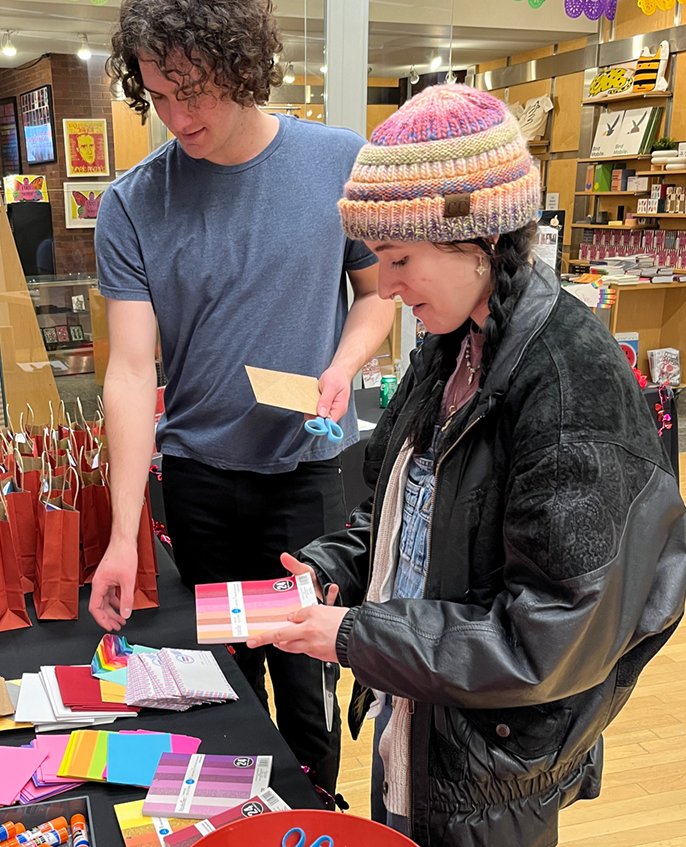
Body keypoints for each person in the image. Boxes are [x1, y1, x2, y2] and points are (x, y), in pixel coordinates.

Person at [250, 84, 685, 846]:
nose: (383, 286)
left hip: (493, 760)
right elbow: (394, 507)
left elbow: (549, 633)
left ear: (476, 239)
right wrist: (331, 570)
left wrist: (354, 634)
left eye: (399, 258)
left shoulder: (571, 382)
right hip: (420, 720)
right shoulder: (450, 347)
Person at [85, 0, 395, 801]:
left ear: (243, 67)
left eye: (195, 91)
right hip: (199, 481)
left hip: (307, 479)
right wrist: (123, 536)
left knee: (308, 685)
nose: (177, 116)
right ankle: (238, 813)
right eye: (157, 95)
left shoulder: (339, 162)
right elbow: (127, 371)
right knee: (220, 680)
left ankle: (314, 812)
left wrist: (343, 363)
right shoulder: (131, 203)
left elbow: (378, 294)